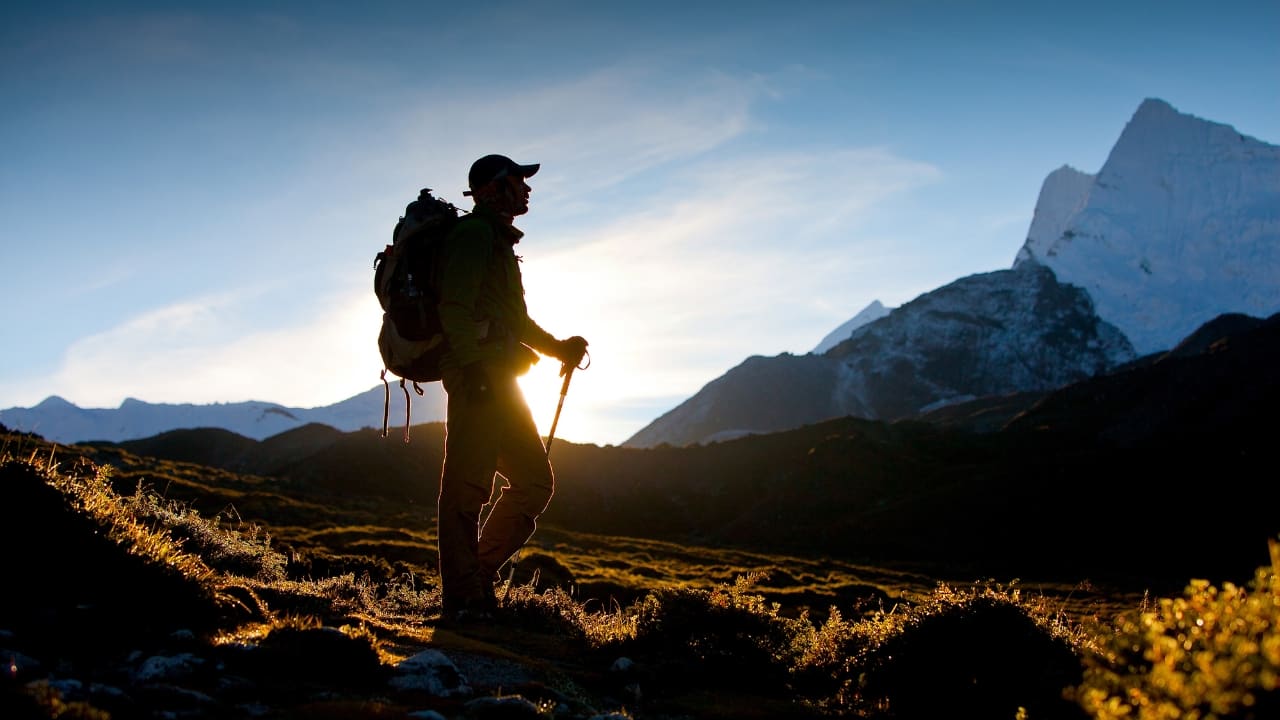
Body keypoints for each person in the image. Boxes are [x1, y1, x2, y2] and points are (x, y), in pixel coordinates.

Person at [433, 153, 588, 620]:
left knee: (534, 482)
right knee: (467, 487)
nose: (527, 188)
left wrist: (559, 349)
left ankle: (476, 580)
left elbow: (515, 321)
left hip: (500, 377)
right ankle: (463, 600)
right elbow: (453, 307)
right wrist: (473, 369)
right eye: (518, 180)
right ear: (492, 189)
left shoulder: (497, 242)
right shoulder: (474, 235)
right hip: (479, 376)